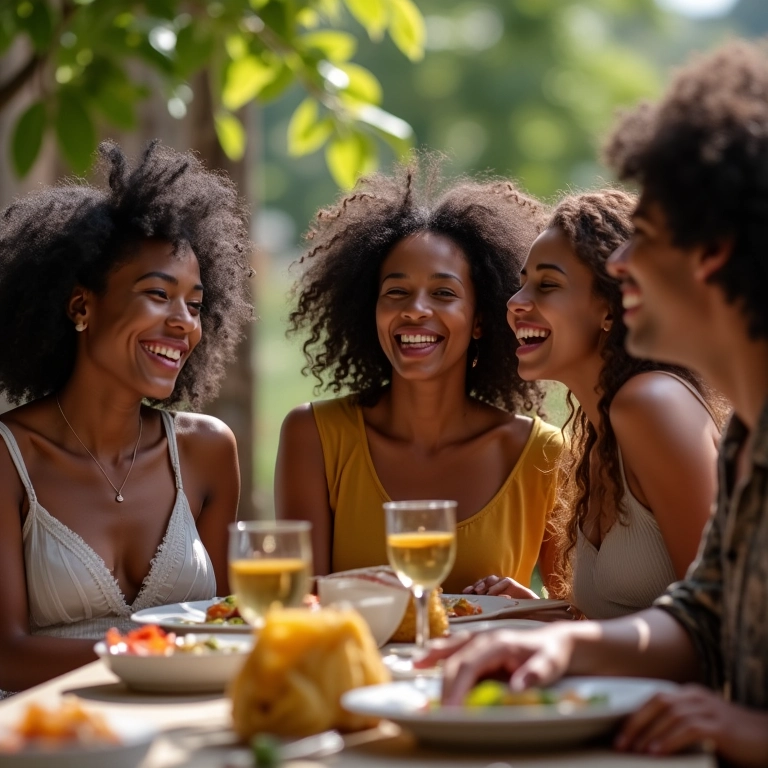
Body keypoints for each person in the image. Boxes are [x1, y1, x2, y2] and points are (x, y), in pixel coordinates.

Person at [421, 40, 768, 766]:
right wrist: (550, 637)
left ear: (712, 251)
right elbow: (701, 616)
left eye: (644, 237)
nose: (619, 265)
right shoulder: (747, 441)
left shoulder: (653, 404)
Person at [0, 140, 253, 691]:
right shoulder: (8, 457)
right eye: (158, 294)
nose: (184, 322)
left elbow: (226, 626)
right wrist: (156, 655)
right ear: (81, 307)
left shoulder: (207, 451)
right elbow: (7, 654)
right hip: (46, 737)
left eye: (194, 303)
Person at [275, 159, 563, 594]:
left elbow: (574, 616)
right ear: (369, 311)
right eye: (396, 292)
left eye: (444, 293)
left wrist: (532, 611)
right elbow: (299, 604)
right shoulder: (314, 435)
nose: (415, 310)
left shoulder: (539, 453)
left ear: (481, 319)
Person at [465, 190, 723, 616]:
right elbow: (630, 614)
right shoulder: (596, 432)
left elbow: (713, 619)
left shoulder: (650, 404)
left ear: (611, 305)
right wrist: (537, 612)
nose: (515, 303)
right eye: (523, 282)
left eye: (547, 284)